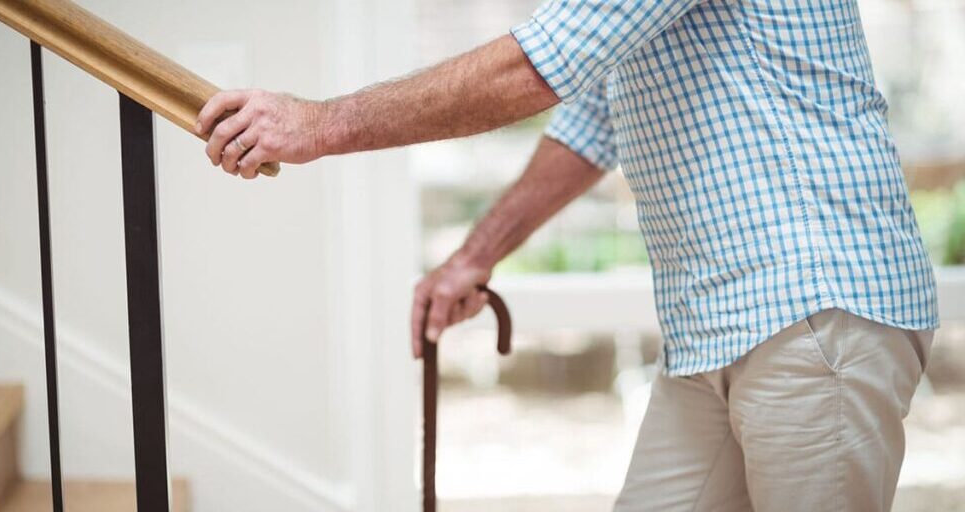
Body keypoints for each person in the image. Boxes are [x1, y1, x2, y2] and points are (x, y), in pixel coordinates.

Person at [196, 1, 939, 510]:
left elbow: (530, 72)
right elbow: (589, 123)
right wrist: (473, 258)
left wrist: (318, 124)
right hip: (719, 326)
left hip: (814, 308)